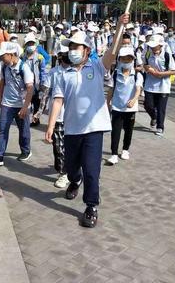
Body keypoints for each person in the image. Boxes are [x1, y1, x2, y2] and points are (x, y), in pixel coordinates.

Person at [46, 13, 129, 228]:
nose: (73, 50)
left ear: (87, 50)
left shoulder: (97, 67)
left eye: (77, 46)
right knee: (72, 167)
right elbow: (57, 100)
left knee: (92, 169)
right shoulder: (63, 74)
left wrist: (119, 26)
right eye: (71, 46)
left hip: (95, 127)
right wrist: (51, 124)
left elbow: (112, 52)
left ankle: (91, 205)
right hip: (72, 128)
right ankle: (75, 180)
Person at [0, 42, 34, 167]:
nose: (1, 58)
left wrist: (25, 107)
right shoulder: (5, 67)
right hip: (7, 104)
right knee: (2, 129)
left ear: (11, 54)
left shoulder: (24, 68)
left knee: (24, 131)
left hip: (21, 105)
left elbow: (30, 89)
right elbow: (2, 82)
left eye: (3, 56)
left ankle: (26, 150)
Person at [105, 46, 143, 165]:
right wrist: (107, 103)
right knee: (115, 131)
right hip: (117, 106)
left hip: (130, 108)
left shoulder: (137, 75)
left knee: (128, 130)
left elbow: (138, 89)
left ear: (133, 60)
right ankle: (114, 154)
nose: (126, 62)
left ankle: (125, 149)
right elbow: (111, 89)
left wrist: (134, 100)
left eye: (129, 59)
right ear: (119, 60)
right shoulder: (115, 74)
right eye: (124, 59)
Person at [40, 42, 70, 188]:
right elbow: (45, 93)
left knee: (71, 146)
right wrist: (39, 112)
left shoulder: (77, 71)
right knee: (58, 147)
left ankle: (73, 169)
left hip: (73, 117)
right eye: (63, 55)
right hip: (57, 116)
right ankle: (63, 173)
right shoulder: (54, 72)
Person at [143, 35, 175, 136]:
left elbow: (174, 71)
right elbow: (144, 65)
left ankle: (160, 126)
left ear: (160, 45)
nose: (153, 48)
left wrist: (160, 74)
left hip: (163, 86)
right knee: (148, 105)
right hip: (150, 84)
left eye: (155, 46)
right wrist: (149, 69)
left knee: (161, 107)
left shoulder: (167, 55)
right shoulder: (148, 54)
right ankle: (154, 117)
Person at [21, 33, 48, 127]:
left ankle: (35, 119)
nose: (30, 46)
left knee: (36, 102)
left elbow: (43, 72)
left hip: (36, 85)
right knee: (27, 102)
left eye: (32, 43)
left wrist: (42, 83)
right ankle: (25, 118)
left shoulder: (40, 57)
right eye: (28, 44)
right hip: (25, 84)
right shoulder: (22, 57)